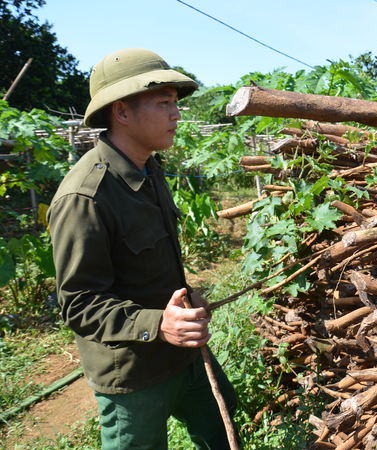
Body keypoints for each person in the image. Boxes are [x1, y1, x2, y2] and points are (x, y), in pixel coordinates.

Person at [48, 48, 238, 450]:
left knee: (223, 426)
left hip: (183, 355)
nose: (177, 114)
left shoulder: (150, 169)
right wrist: (158, 325)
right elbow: (79, 303)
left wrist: (187, 301)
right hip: (133, 373)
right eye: (164, 103)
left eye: (174, 102)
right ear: (122, 112)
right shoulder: (85, 197)